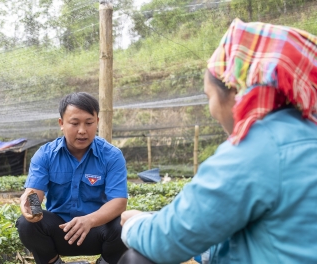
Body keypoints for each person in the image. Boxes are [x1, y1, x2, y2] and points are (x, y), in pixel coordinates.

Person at [119, 18, 317, 264]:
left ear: (236, 91)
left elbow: (166, 240)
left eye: (209, 96)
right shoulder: (308, 130)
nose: (211, 109)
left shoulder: (258, 148)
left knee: (136, 258)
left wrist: (137, 223)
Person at [16, 92, 128, 264]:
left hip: (97, 229)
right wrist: (31, 207)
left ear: (97, 121)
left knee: (124, 225)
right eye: (74, 123)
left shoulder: (112, 155)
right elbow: (34, 193)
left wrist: (89, 220)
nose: (82, 130)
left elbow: (119, 201)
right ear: (62, 123)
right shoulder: (45, 154)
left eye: (89, 123)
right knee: (26, 224)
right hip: (60, 231)